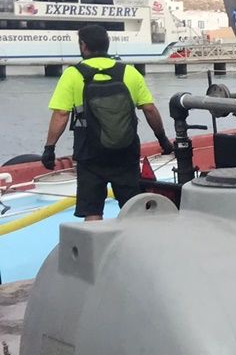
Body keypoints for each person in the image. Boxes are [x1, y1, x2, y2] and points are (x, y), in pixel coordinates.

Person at [42, 25, 173, 221]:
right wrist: (162, 139)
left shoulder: (72, 75)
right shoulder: (129, 73)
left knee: (92, 211)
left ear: (83, 46)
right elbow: (149, 109)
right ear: (107, 44)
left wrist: (49, 148)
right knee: (133, 208)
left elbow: (61, 115)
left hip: (90, 154)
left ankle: (96, 250)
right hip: (125, 152)